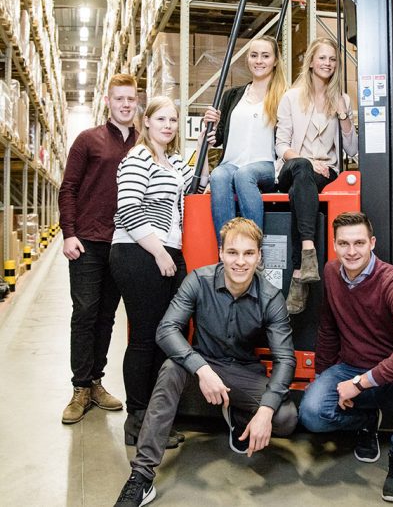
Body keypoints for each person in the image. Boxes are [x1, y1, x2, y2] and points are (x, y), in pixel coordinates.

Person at [113, 218, 297, 507]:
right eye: (233, 252)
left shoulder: (270, 297)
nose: (240, 262)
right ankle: (141, 476)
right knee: (171, 368)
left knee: (285, 418)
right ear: (221, 253)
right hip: (201, 368)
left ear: (259, 257)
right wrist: (200, 368)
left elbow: (285, 358)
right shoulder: (199, 281)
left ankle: (239, 413)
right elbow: (166, 329)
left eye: (248, 253)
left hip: (242, 373)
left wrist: (265, 411)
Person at [299, 212, 393, 503]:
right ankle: (366, 420)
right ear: (334, 245)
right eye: (344, 244)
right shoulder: (331, 272)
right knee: (311, 412)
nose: (351, 251)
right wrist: (321, 378)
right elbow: (328, 327)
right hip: (349, 367)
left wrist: (360, 383)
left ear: (372, 243)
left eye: (359, 243)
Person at [109, 96, 210, 446]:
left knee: (167, 335)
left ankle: (155, 418)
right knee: (145, 337)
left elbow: (198, 188)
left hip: (168, 251)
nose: (168, 125)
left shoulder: (173, 160)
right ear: (147, 122)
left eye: (173, 120)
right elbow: (128, 208)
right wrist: (159, 252)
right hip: (138, 252)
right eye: (161, 119)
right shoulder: (138, 157)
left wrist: (203, 147)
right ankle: (137, 421)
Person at [58, 73, 138, 424]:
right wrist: (68, 233)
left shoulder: (143, 143)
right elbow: (68, 188)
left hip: (124, 243)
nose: (125, 104)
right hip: (88, 241)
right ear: (108, 101)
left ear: (137, 102)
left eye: (130, 99)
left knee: (107, 315)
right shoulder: (88, 140)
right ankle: (79, 387)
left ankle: (95, 381)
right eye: (119, 98)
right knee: (85, 312)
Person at [275, 37, 358, 315]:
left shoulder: (342, 100)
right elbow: (281, 145)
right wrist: (307, 161)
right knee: (301, 169)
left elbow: (352, 149)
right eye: (322, 58)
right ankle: (307, 252)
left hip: (324, 171)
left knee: (302, 188)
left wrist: (343, 114)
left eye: (332, 59)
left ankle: (301, 270)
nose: (328, 63)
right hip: (293, 166)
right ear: (311, 61)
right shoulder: (291, 97)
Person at [203, 35, 287, 245]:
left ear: (275, 60)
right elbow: (218, 138)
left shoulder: (283, 96)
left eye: (265, 56)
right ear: (248, 58)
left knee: (244, 174)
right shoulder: (233, 95)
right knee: (219, 174)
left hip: (266, 166)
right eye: (254, 55)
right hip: (232, 163)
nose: (259, 61)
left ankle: (252, 249)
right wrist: (211, 123)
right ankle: (227, 249)